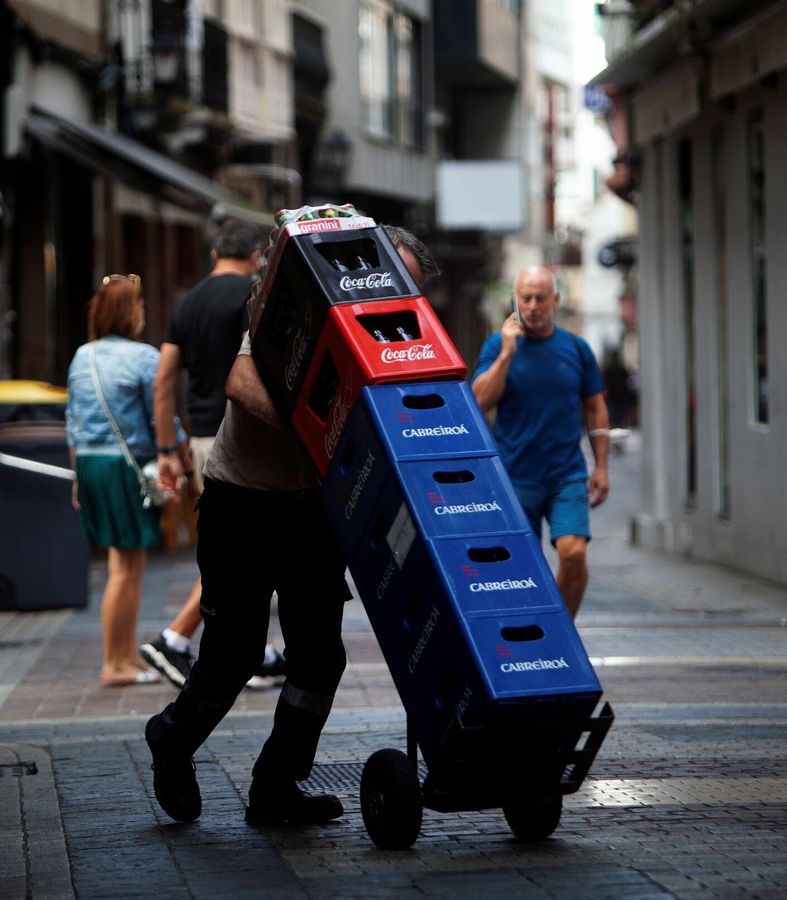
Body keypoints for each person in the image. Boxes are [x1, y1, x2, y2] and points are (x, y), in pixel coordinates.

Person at [145, 225, 439, 825]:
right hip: (242, 501)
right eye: (396, 281)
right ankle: (172, 738)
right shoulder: (301, 310)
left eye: (410, 291)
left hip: (312, 510)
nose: (399, 297)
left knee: (320, 658)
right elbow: (239, 383)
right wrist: (318, 429)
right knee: (234, 654)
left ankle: (276, 786)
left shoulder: (396, 335)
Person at [143, 219, 287, 690]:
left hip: (200, 438)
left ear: (213, 256)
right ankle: (176, 638)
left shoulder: (188, 301)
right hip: (240, 438)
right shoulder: (253, 296)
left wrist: (167, 449)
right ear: (257, 258)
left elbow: (163, 380)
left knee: (240, 546)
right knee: (241, 546)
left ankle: (251, 650)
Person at [472, 265, 610, 619]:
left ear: (555, 301)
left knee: (573, 554)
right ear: (515, 300)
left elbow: (595, 408)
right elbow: (478, 401)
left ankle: (561, 631)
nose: (533, 306)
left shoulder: (576, 348)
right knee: (524, 567)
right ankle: (536, 632)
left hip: (566, 474)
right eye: (526, 298)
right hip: (515, 476)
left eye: (541, 298)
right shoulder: (496, 345)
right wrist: (507, 354)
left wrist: (602, 467)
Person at [66, 274, 164, 687]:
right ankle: (113, 663)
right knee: (126, 567)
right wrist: (172, 457)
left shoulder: (81, 356)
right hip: (125, 465)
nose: (142, 311)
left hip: (91, 464)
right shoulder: (143, 357)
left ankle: (126, 655)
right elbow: (160, 416)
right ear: (127, 310)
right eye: (138, 304)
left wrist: (77, 475)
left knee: (124, 564)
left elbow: (72, 422)